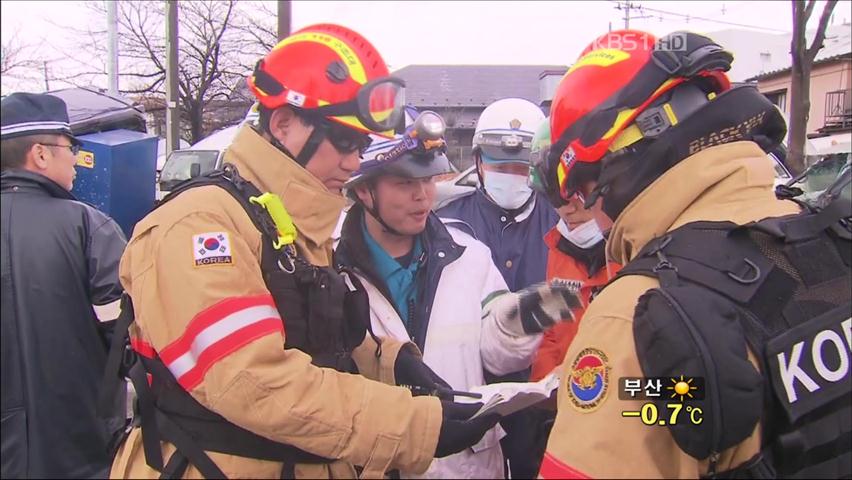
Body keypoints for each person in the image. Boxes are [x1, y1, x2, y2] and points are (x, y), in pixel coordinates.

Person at [108, 24, 501, 479]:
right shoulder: (201, 225)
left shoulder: (291, 226)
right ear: (283, 123)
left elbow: (320, 338)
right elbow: (252, 380)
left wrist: (394, 363)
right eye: (344, 142)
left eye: (362, 146)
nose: (354, 163)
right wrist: (411, 424)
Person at [539, 29, 851, 478]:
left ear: (618, 166)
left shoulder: (635, 312)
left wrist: (604, 403)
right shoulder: (835, 243)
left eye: (588, 194)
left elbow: (666, 407)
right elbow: (681, 402)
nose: (596, 218)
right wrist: (640, 402)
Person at [336, 111, 582, 478]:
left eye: (430, 178)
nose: (423, 195)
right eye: (405, 182)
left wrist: (526, 316)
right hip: (377, 463)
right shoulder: (327, 268)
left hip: (467, 465)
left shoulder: (470, 255)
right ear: (362, 189)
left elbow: (499, 357)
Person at [1, 92, 128, 478]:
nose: (75, 158)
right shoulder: (89, 227)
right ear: (40, 154)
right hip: (82, 448)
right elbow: (129, 338)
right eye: (70, 146)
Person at [437, 97, 559, 479]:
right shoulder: (446, 227)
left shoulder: (566, 227)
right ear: (478, 162)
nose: (511, 174)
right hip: (471, 400)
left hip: (546, 402)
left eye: (521, 166)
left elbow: (576, 299)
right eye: (500, 165)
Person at [527, 117, 621, 382]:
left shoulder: (641, 252)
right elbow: (549, 337)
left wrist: (589, 389)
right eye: (554, 197)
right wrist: (545, 389)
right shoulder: (558, 248)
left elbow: (689, 390)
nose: (567, 208)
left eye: (575, 194)